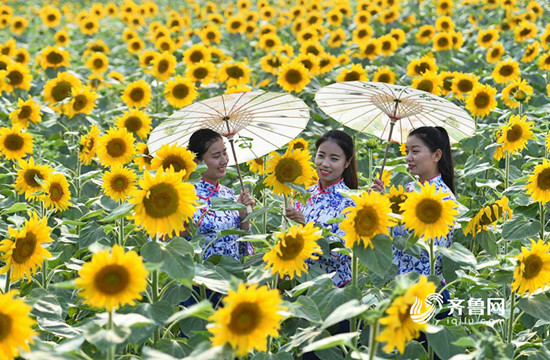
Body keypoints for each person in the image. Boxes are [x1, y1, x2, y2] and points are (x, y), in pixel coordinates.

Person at [371, 126, 456, 278]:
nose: (408, 158)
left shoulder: (442, 198)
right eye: (407, 151)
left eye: (415, 151)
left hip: (424, 285)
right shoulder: (409, 188)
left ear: (436, 155)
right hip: (397, 281)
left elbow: (431, 250)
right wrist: (379, 202)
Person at [285, 130, 359, 287]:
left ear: (347, 162)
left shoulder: (351, 202)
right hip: (299, 284)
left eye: (334, 159)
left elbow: (341, 252)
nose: (325, 163)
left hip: (334, 289)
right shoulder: (303, 195)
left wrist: (307, 227)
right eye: (321, 156)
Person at [187, 128, 255, 260]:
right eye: (216, 156)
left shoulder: (228, 194)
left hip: (232, 276)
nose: (224, 160)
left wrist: (244, 218)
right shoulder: (185, 195)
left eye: (225, 153)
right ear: (196, 162)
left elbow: (242, 251)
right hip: (201, 277)